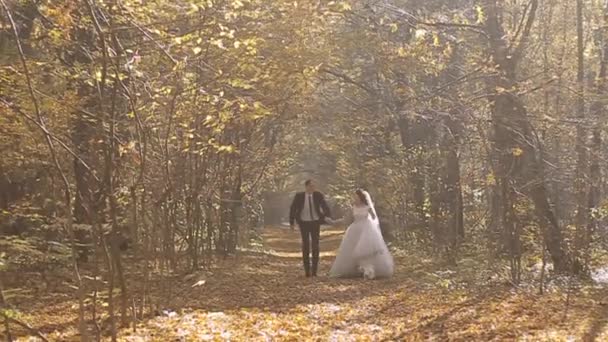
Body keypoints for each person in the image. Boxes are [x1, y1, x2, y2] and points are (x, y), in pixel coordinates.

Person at [328, 189, 393, 279]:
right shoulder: (353, 207)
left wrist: (369, 219)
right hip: (355, 229)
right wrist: (334, 222)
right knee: (352, 249)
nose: (354, 198)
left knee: (365, 250)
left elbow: (374, 217)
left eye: (356, 196)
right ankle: (356, 269)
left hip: (366, 229)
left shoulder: (367, 207)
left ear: (360, 197)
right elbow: (348, 218)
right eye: (354, 196)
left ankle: (369, 270)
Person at [289, 179, 331, 277]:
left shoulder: (318, 195)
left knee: (315, 245)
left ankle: (314, 271)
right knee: (306, 245)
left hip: (315, 222)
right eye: (310, 186)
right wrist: (292, 222)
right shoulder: (299, 196)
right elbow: (293, 208)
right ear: (306, 187)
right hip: (303, 222)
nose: (312, 188)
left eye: (314, 186)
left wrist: (327, 216)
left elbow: (325, 206)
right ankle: (307, 271)